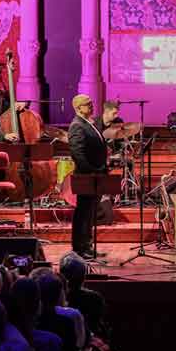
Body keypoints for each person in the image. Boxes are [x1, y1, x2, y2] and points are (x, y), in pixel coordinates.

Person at [68, 94, 108, 260]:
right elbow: (78, 153)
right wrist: (92, 171)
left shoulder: (88, 123)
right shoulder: (77, 125)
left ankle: (87, 245)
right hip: (86, 176)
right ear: (78, 108)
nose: (92, 106)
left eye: (91, 103)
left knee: (89, 212)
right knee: (83, 213)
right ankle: (79, 247)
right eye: (88, 104)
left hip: (94, 175)